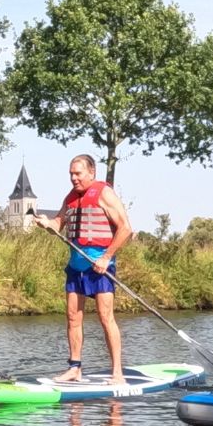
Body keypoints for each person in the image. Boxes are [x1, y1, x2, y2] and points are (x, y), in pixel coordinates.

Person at [32, 154, 133, 384]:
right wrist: (48, 223)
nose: (73, 178)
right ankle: (74, 368)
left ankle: (117, 373)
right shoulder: (70, 197)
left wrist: (107, 257)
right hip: (76, 266)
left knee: (106, 317)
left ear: (91, 173)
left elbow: (125, 228)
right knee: (72, 317)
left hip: (99, 267)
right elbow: (59, 224)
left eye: (78, 173)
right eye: (71, 174)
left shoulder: (104, 193)